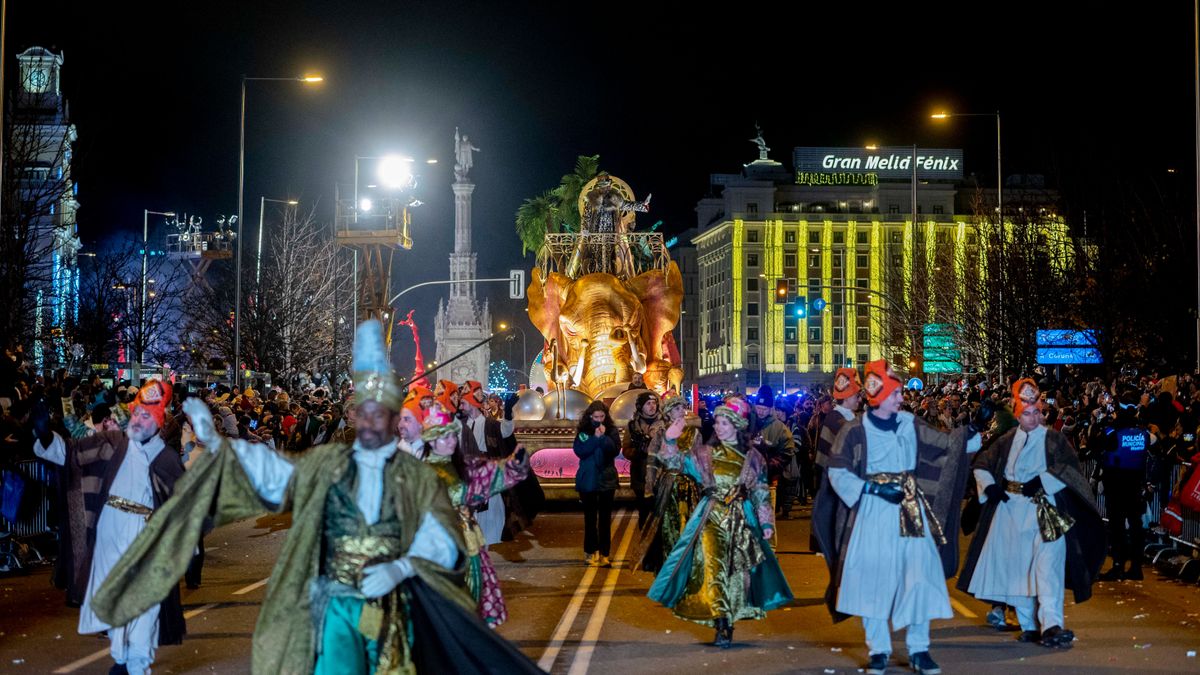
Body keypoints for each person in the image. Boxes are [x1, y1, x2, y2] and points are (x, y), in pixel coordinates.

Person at [91, 321, 540, 674]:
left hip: (391, 608)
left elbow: (444, 539)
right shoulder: (330, 465)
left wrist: (401, 567)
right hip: (337, 604)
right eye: (363, 415)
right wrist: (216, 441)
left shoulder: (416, 475)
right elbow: (274, 475)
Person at [813, 359, 990, 675]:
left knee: (918, 578)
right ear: (879, 395)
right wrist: (873, 491)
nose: (901, 398)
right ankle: (878, 650)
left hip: (910, 509)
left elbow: (946, 446)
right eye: (896, 392)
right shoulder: (853, 431)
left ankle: (919, 650)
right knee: (872, 581)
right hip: (870, 511)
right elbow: (838, 473)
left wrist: (974, 428)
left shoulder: (910, 423)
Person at [30, 379, 185, 675]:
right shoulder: (111, 443)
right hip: (110, 530)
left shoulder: (165, 457)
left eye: (146, 416)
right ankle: (121, 656)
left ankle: (137, 663)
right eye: (136, 413)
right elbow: (71, 453)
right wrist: (44, 434)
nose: (138, 420)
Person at [957, 378, 1105, 648]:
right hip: (1011, 512)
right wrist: (990, 487)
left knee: (1048, 568)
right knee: (1019, 569)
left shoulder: (1054, 440)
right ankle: (1028, 625)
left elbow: (1070, 468)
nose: (1033, 417)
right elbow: (982, 462)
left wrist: (1045, 480)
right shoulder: (1005, 441)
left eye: (1037, 411)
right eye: (1027, 412)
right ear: (1017, 413)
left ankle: (1051, 624)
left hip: (1046, 510)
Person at [647, 398, 793, 648]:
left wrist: (767, 524)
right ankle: (721, 620)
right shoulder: (704, 454)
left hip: (741, 519)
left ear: (736, 425)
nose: (718, 426)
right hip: (710, 518)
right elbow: (674, 464)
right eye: (716, 422)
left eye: (724, 422)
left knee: (736, 574)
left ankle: (729, 617)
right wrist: (670, 440)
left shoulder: (753, 457)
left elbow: (759, 491)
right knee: (714, 569)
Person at [419, 407, 530, 626]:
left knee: (472, 606)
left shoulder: (462, 466)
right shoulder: (418, 473)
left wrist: (514, 465)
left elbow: (486, 475)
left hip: (469, 544)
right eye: (445, 437)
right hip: (438, 551)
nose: (452, 441)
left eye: (453, 435)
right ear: (431, 441)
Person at [630, 394, 700, 572]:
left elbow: (700, 462)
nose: (681, 412)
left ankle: (688, 563)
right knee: (668, 526)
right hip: (669, 485)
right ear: (668, 413)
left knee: (689, 524)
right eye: (676, 409)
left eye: (682, 408)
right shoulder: (661, 434)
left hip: (689, 486)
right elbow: (652, 463)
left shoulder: (693, 433)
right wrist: (649, 489)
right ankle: (668, 563)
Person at [1094, 390, 1154, 581]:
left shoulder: (1112, 432)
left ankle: (1118, 565)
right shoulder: (1143, 433)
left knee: (1117, 525)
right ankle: (1136, 567)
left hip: (1116, 482)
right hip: (1135, 483)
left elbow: (1096, 447)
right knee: (1136, 525)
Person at [573, 400, 621, 567]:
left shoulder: (612, 431)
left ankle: (605, 553)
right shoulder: (584, 431)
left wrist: (604, 438)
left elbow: (614, 450)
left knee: (605, 519)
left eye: (602, 416)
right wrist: (596, 438)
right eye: (596, 417)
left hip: (607, 479)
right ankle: (590, 551)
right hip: (589, 479)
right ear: (590, 416)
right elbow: (581, 451)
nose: (599, 420)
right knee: (590, 518)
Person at [623, 391, 661, 527]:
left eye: (654, 403)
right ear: (641, 407)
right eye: (648, 403)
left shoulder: (666, 423)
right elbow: (625, 449)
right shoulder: (633, 426)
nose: (652, 406)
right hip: (640, 476)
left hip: (660, 476)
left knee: (660, 515)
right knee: (643, 514)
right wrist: (638, 452)